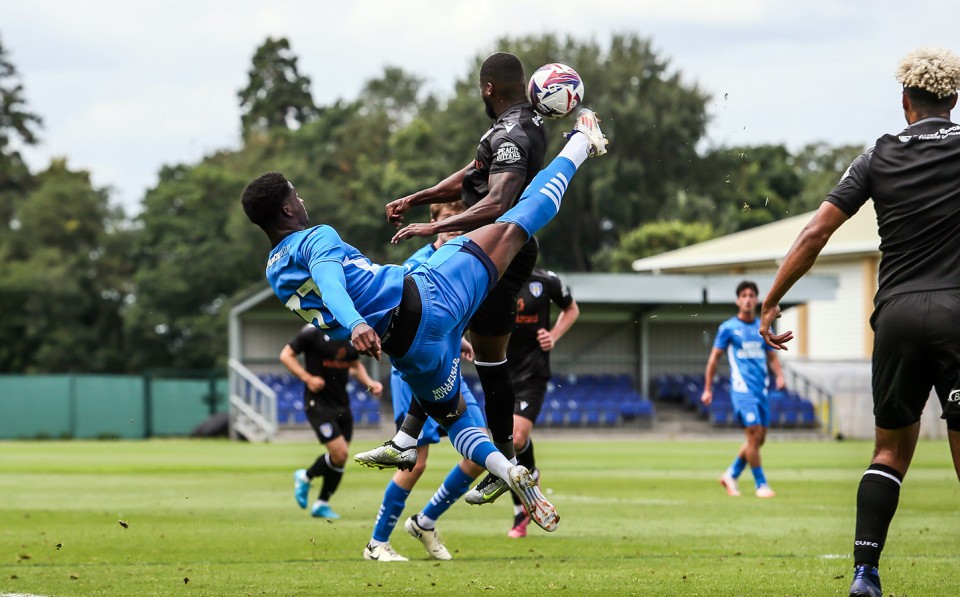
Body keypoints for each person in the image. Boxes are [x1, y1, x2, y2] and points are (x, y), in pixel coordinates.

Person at [240, 108, 607, 537]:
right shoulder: (315, 237)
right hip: (425, 297)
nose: (301, 199)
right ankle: (582, 143)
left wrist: (360, 323)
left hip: (409, 351)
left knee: (456, 421)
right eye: (296, 194)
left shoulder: (275, 269)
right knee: (513, 224)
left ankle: (505, 470)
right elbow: (330, 281)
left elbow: (325, 289)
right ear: (287, 207)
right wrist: (358, 322)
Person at [757, 48, 960, 597]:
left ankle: (865, 574)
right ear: (955, 99)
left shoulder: (878, 154)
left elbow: (815, 233)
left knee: (889, 452)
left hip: (895, 317)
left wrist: (772, 299)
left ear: (905, 103)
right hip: (957, 315)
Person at [384, 52, 548, 504]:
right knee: (480, 354)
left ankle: (411, 439)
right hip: (492, 251)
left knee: (434, 326)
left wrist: (435, 226)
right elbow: (472, 177)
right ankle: (499, 462)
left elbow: (498, 200)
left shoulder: (514, 131)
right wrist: (418, 198)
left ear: (488, 88)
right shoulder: (507, 128)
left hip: (494, 252)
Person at [364, 201, 487, 562]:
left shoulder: (462, 261)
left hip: (448, 367)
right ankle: (377, 543)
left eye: (460, 223)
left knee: (478, 453)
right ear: (432, 224)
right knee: (414, 462)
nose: (455, 228)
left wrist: (458, 337)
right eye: (447, 222)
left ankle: (425, 520)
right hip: (414, 373)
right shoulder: (417, 266)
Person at [502, 268, 579, 538]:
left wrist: (554, 335)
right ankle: (523, 501)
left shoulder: (547, 281)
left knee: (516, 436)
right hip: (497, 369)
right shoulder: (493, 276)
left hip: (532, 373)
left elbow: (571, 309)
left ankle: (526, 498)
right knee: (506, 441)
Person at [280, 325, 384, 519]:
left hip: (342, 405)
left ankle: (321, 502)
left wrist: (370, 383)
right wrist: (307, 378)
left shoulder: (350, 333)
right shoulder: (312, 332)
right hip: (318, 403)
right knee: (340, 453)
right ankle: (306, 477)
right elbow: (286, 355)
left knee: (340, 458)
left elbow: (355, 365)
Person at [701, 280, 785, 499]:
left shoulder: (763, 327)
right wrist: (707, 388)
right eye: (744, 295)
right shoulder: (728, 328)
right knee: (754, 434)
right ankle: (761, 484)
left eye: (751, 295)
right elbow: (713, 360)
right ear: (738, 300)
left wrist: (780, 376)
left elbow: (772, 356)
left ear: (757, 300)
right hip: (741, 389)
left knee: (758, 439)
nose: (748, 299)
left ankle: (731, 475)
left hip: (761, 390)